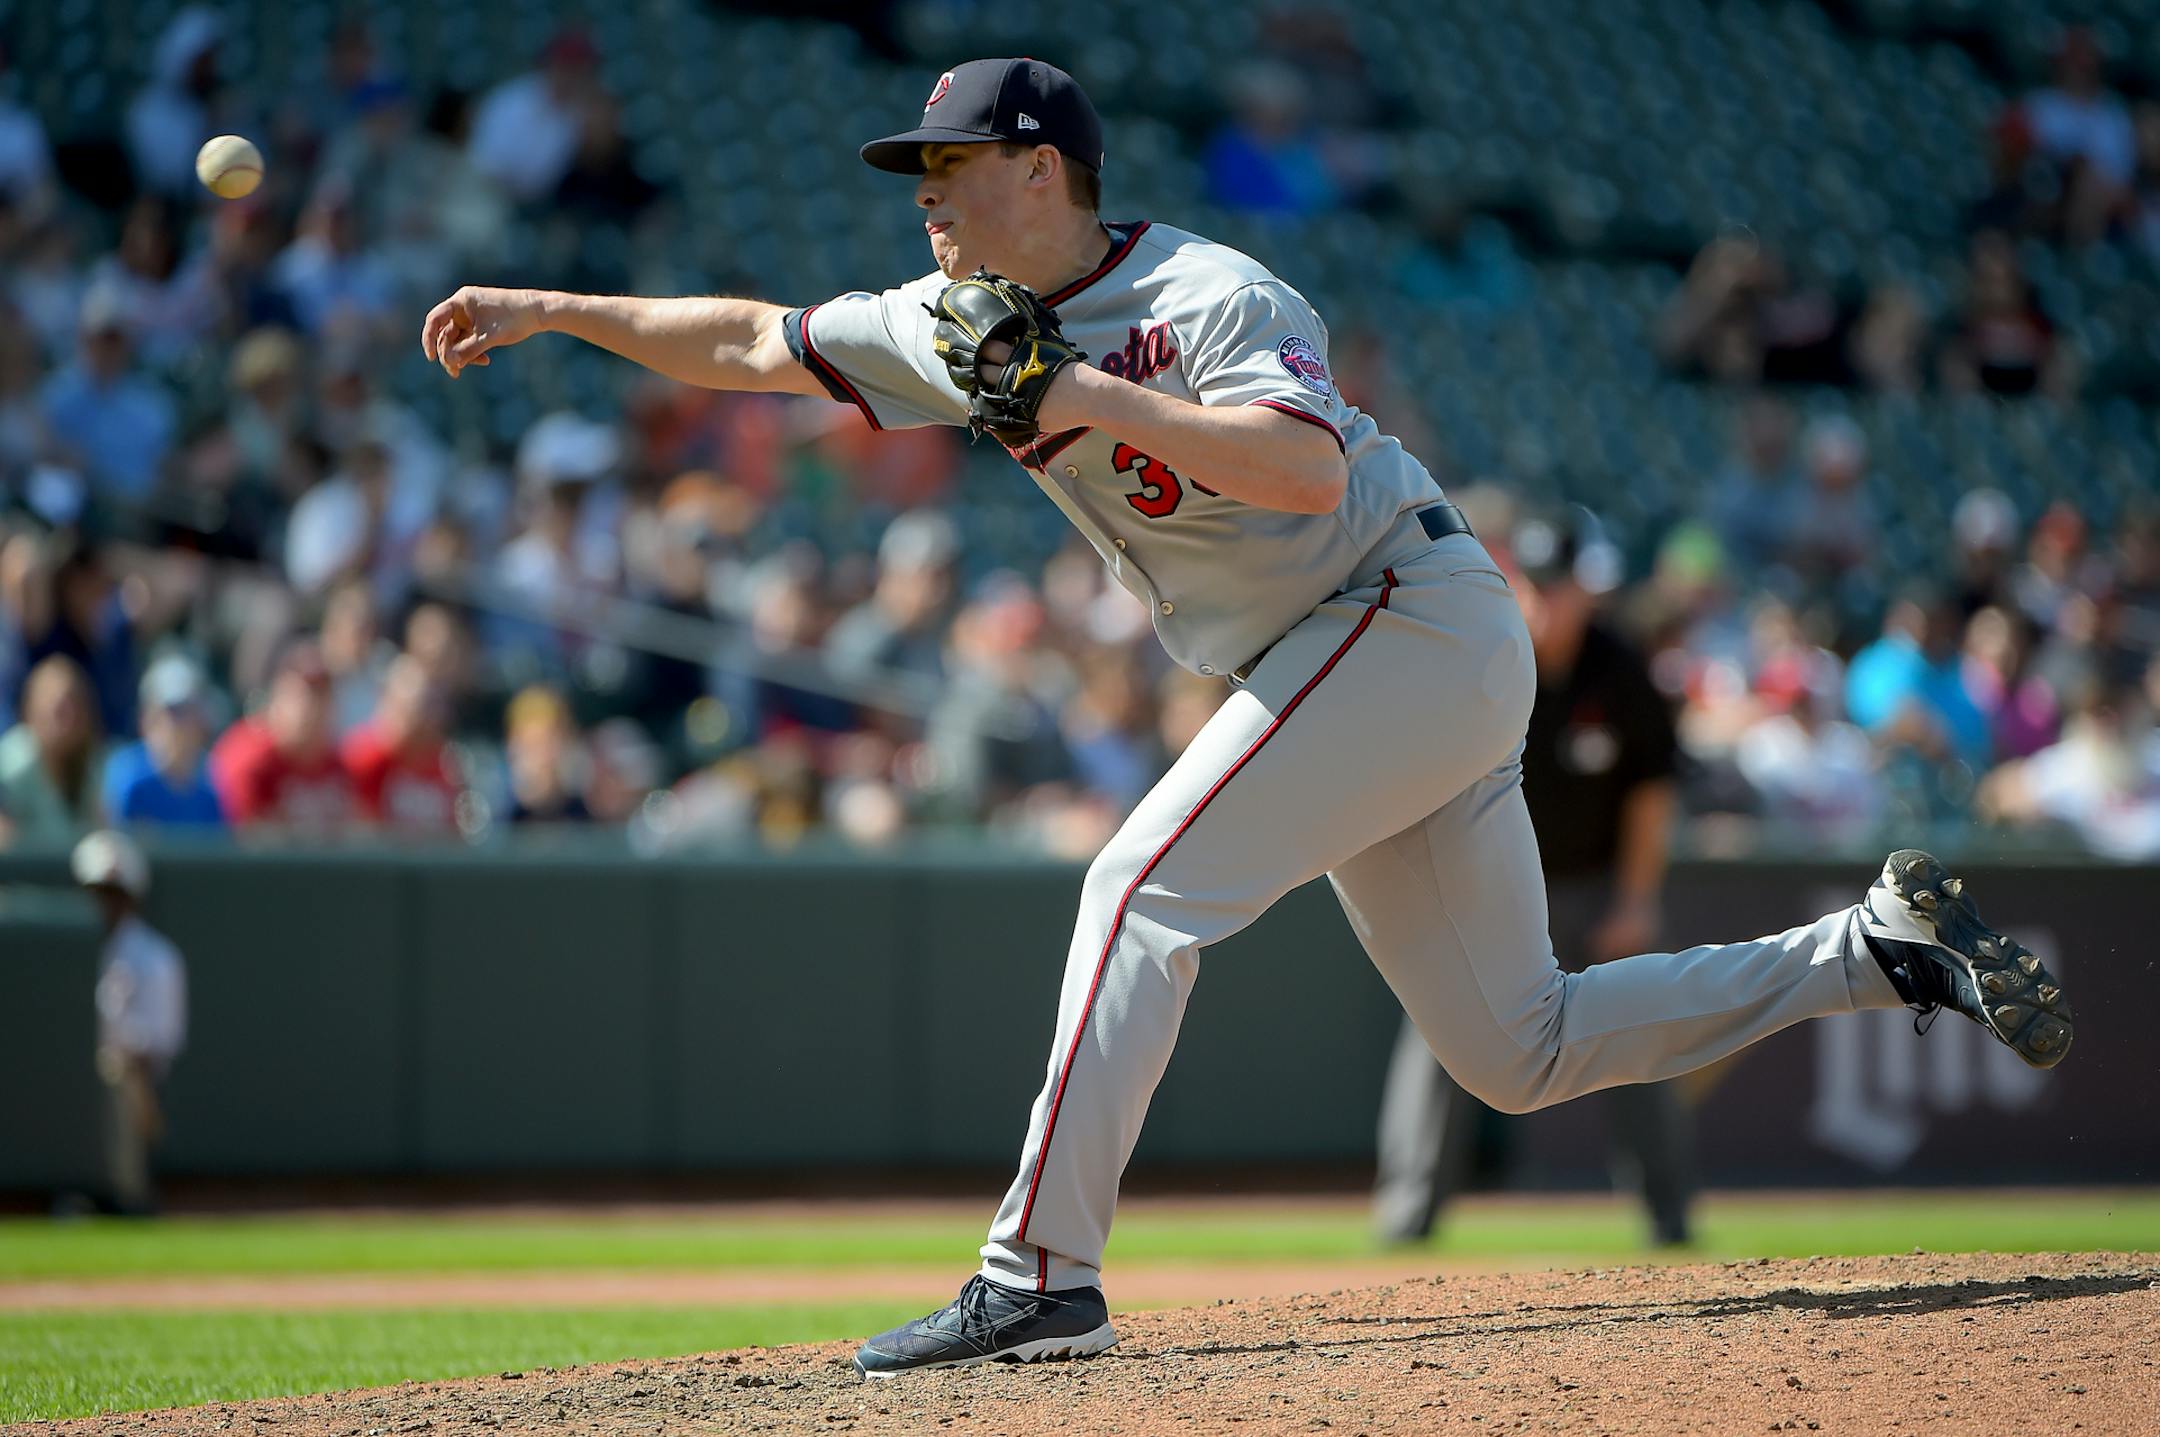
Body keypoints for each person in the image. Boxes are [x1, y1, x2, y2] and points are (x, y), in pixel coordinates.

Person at [421, 57, 2076, 1377]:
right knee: (1520, 1049)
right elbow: (755, 340)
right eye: (915, 173)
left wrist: (1067, 392)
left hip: (1398, 614)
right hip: (1345, 659)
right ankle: (1872, 950)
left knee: (1134, 889)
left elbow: (1301, 464)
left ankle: (1038, 1274)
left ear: (1045, 171)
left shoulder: (1213, 292)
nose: (924, 195)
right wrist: (555, 311)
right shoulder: (949, 321)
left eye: (950, 164)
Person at [1372, 509, 1694, 1249]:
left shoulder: (1618, 666)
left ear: (1587, 590)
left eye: (1561, 586)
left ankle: (1671, 1218)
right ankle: (1406, 1216)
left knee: (1642, 1029)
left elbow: (1653, 791)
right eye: (1535, 584)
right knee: (1439, 1036)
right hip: (1487, 887)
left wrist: (1637, 900)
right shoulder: (1485, 652)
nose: (1547, 601)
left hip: (1590, 884)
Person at [71, 829, 186, 1215]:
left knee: (117, 1071)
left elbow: (162, 1041)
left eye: (113, 893)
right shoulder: (64, 950)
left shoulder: (156, 957)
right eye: (96, 892)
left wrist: (118, 1042)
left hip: (139, 1081)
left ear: (131, 897)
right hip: (70, 1076)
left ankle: (128, 1195)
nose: (103, 903)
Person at [103, 655, 226, 828]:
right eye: (173, 711)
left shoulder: (215, 782)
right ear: (147, 718)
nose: (183, 722)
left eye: (190, 709)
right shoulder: (127, 775)